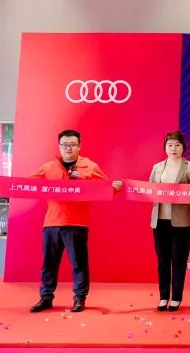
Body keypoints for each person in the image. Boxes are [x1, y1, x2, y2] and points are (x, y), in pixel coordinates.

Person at [29, 130, 121, 313]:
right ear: (59, 146)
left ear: (79, 146)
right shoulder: (48, 168)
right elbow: (24, 184)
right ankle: (46, 298)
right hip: (52, 223)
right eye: (64, 144)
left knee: (79, 264)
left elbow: (106, 187)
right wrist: (2, 184)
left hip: (77, 223)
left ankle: (79, 298)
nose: (68, 148)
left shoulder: (90, 167)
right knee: (49, 264)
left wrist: (116, 187)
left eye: (72, 144)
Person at [148, 131, 190, 312]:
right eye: (170, 145)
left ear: (183, 147)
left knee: (179, 260)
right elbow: (149, 189)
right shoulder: (157, 167)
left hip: (181, 221)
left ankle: (176, 297)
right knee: (163, 260)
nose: (173, 148)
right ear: (165, 147)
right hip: (160, 219)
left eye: (177, 145)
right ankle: (163, 296)